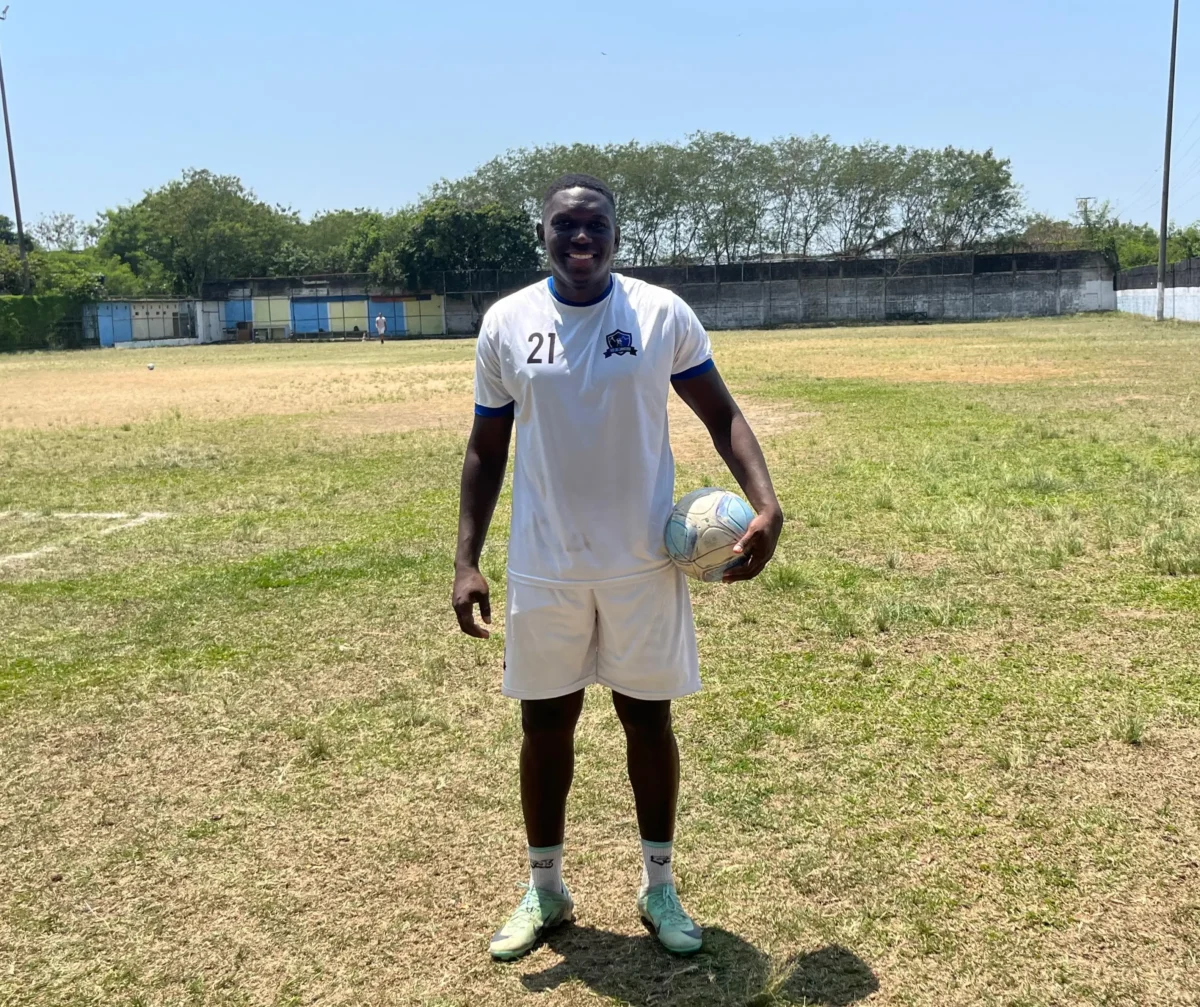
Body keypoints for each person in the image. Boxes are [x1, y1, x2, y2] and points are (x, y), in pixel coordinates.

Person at [452, 173, 783, 962]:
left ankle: (659, 884)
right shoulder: (506, 323)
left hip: (644, 562)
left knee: (647, 720)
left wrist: (764, 501)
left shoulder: (661, 313)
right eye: (564, 226)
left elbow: (721, 412)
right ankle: (547, 887)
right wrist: (466, 558)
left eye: (594, 224)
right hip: (547, 565)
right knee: (545, 725)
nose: (580, 240)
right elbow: (485, 446)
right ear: (543, 236)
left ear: (615, 233)